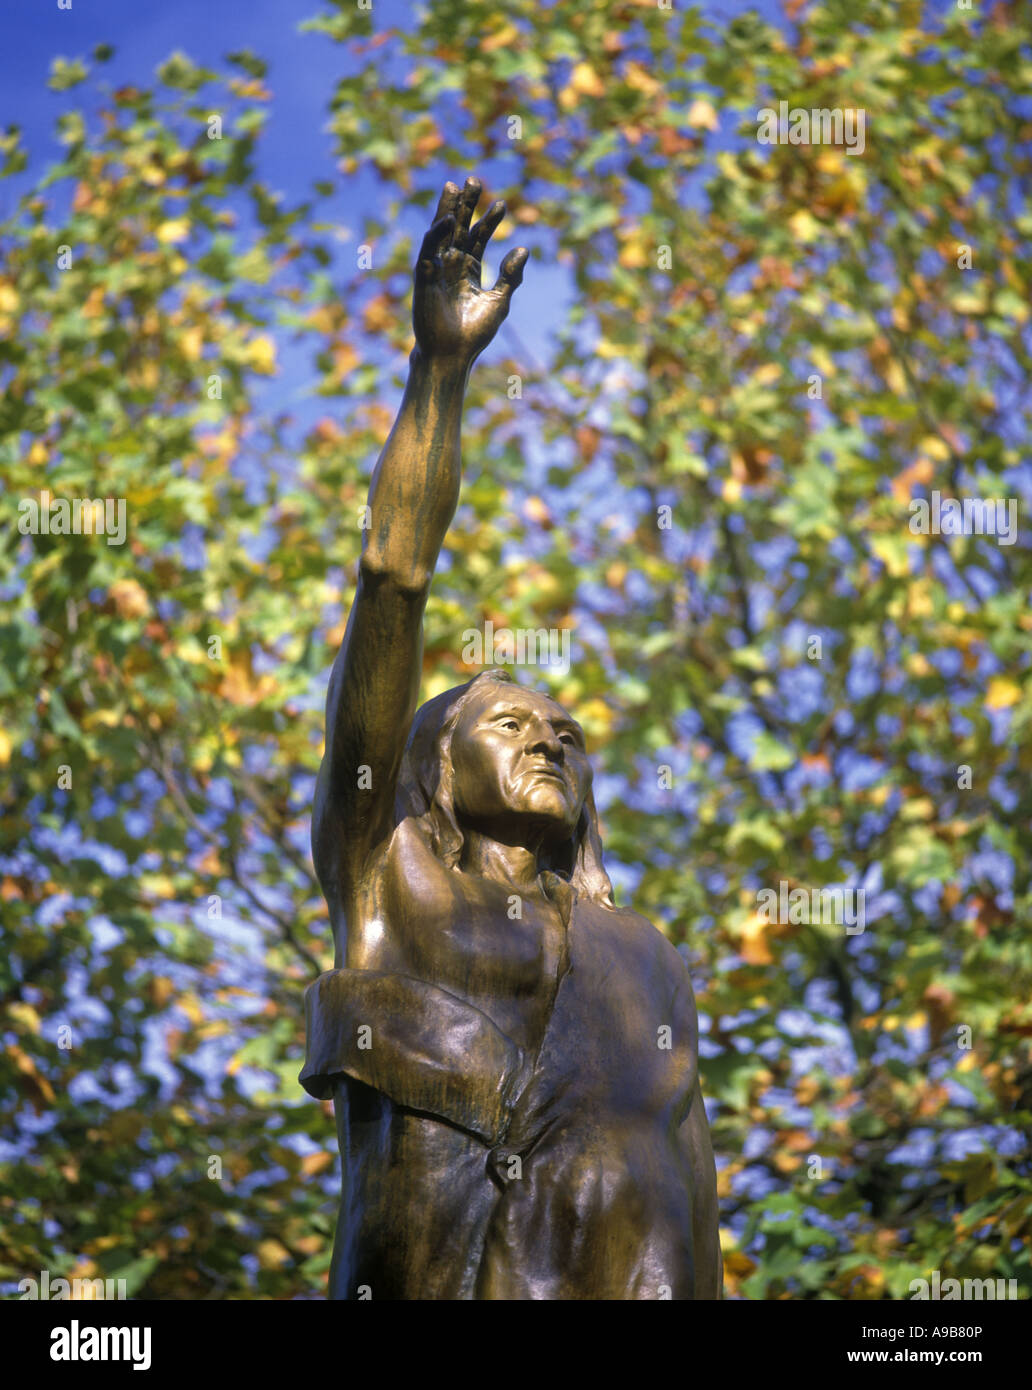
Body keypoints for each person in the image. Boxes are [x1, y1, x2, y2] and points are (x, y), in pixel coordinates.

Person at [300, 176, 721, 1300]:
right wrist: (439, 373)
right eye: (512, 722)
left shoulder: (648, 959)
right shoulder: (383, 871)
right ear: (433, 762)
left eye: (568, 732)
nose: (552, 740)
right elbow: (393, 579)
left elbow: (689, 1189)